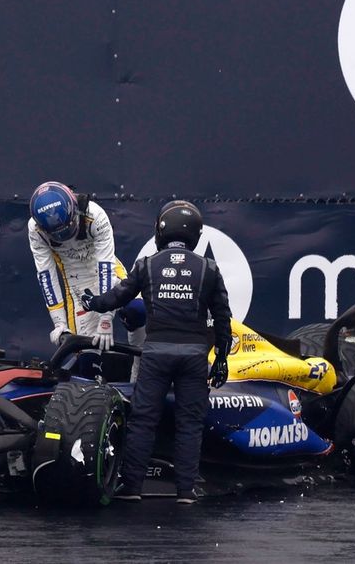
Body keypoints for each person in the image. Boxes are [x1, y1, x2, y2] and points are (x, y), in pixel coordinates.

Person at [81, 200, 231, 504]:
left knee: (143, 421)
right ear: (195, 233)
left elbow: (117, 297)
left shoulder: (147, 264)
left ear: (162, 230)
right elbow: (223, 319)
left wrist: (92, 303)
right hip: (194, 357)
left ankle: (133, 488)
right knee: (189, 424)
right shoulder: (209, 269)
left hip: (156, 354)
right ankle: (186, 491)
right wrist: (222, 359)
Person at [28, 181, 127, 356]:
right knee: (85, 353)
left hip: (107, 271)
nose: (63, 237)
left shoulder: (95, 214)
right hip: (77, 282)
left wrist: (105, 316)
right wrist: (59, 322)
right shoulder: (35, 229)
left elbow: (106, 265)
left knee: (137, 311)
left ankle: (138, 371)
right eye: (56, 234)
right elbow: (46, 276)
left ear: (75, 208)